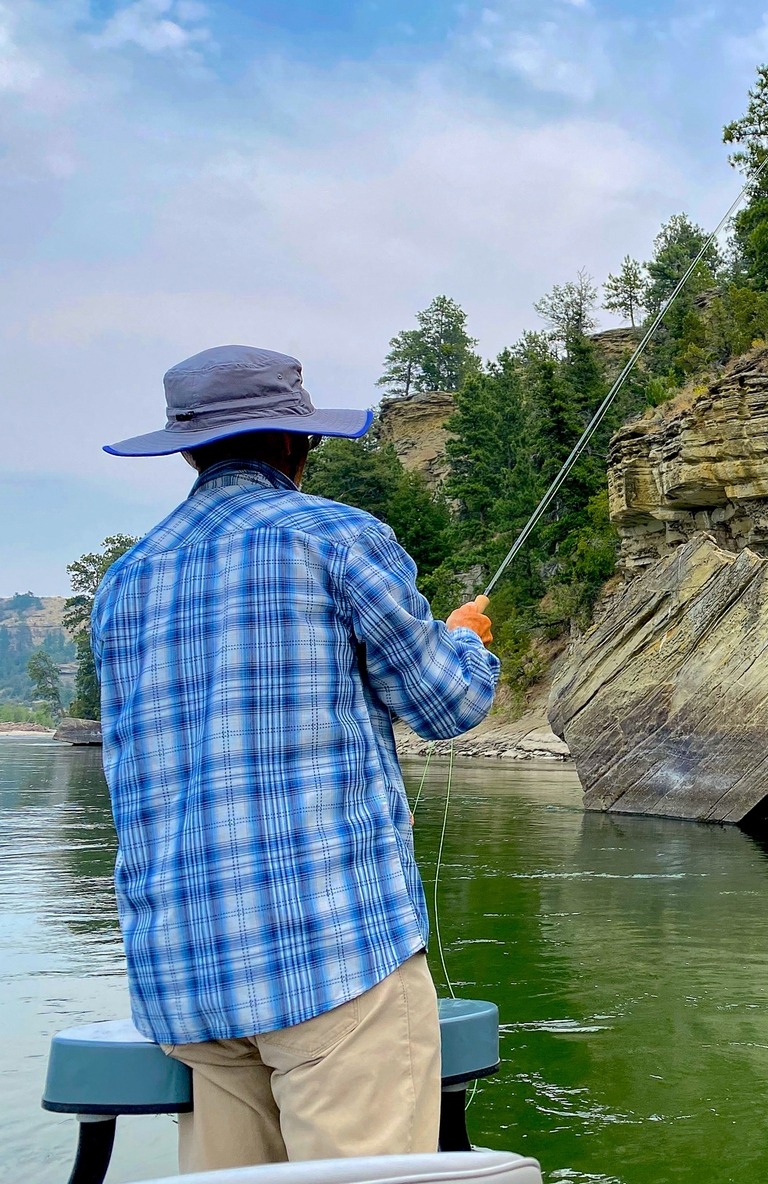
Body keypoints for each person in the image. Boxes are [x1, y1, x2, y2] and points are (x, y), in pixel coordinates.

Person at [92, 344, 500, 1171]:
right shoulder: (336, 537)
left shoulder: (123, 581)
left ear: (188, 448)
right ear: (292, 443)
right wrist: (467, 640)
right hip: (332, 958)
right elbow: (445, 704)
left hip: (187, 981)